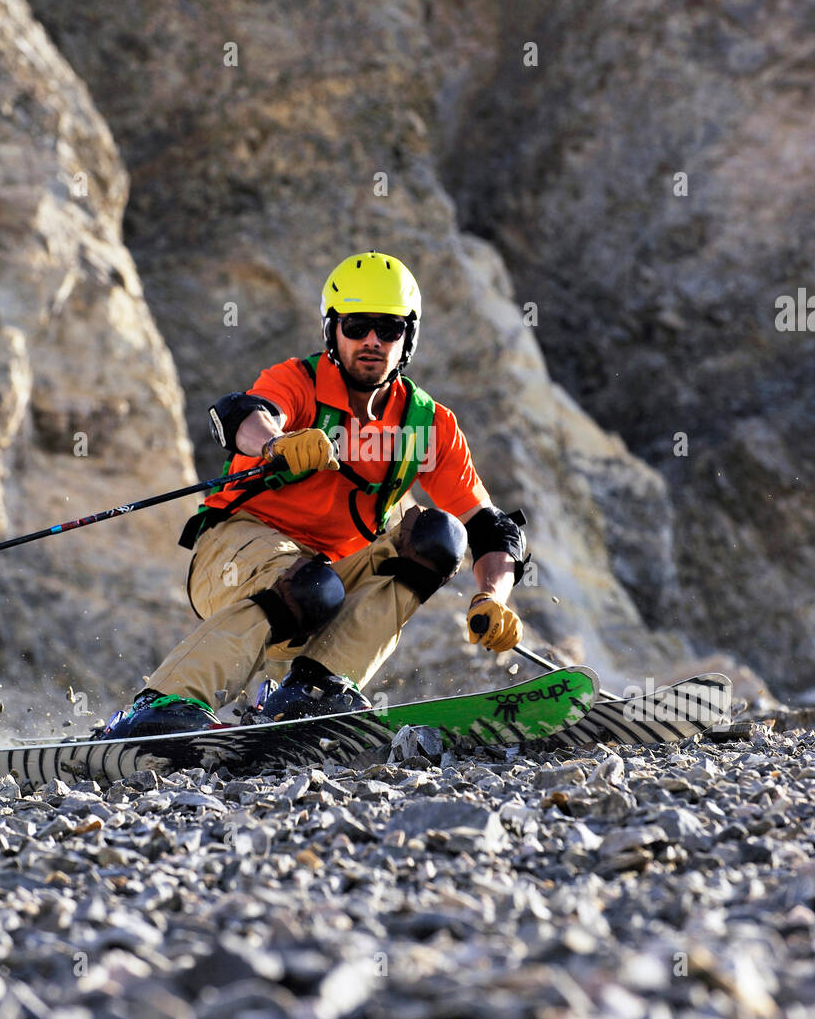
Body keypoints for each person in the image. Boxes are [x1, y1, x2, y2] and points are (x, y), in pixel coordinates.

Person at [101, 252, 529, 737]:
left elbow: (490, 527)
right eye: (357, 325)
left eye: (388, 329)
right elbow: (242, 414)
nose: (372, 340)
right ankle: (165, 703)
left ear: (408, 338)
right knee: (311, 584)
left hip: (329, 588)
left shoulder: (427, 424)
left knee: (436, 536)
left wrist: (493, 597)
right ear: (332, 331)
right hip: (235, 558)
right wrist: (276, 444)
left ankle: (312, 691)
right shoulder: (296, 382)